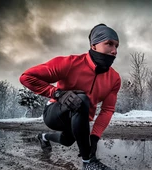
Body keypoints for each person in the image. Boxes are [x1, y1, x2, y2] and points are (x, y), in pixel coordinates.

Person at [19, 23, 121, 169]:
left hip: (80, 119)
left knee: (67, 141)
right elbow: (26, 77)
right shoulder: (69, 63)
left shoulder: (115, 79)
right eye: (109, 44)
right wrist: (57, 93)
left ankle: (43, 137)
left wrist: (94, 137)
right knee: (81, 98)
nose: (114, 51)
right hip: (55, 113)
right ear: (93, 46)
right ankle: (88, 162)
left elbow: (107, 110)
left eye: (117, 46)